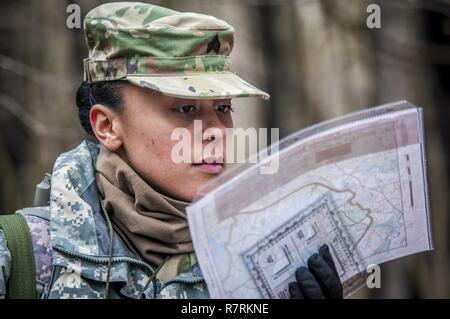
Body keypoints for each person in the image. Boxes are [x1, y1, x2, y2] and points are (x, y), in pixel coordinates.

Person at [0, 2, 342, 299]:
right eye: (185, 109)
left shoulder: (260, 266)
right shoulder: (20, 258)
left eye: (223, 108)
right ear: (107, 126)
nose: (217, 133)